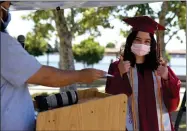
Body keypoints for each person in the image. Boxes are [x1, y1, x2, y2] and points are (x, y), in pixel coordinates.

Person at [0, 1, 106, 131]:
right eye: (6, 7)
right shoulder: (3, 44)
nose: (7, 13)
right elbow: (46, 77)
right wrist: (81, 75)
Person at [105, 16, 181, 131]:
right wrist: (120, 74)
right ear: (131, 41)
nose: (142, 45)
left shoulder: (160, 68)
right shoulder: (118, 66)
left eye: (147, 41)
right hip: (130, 125)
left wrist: (167, 78)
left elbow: (173, 104)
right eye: (138, 40)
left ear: (152, 45)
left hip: (159, 126)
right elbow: (112, 99)